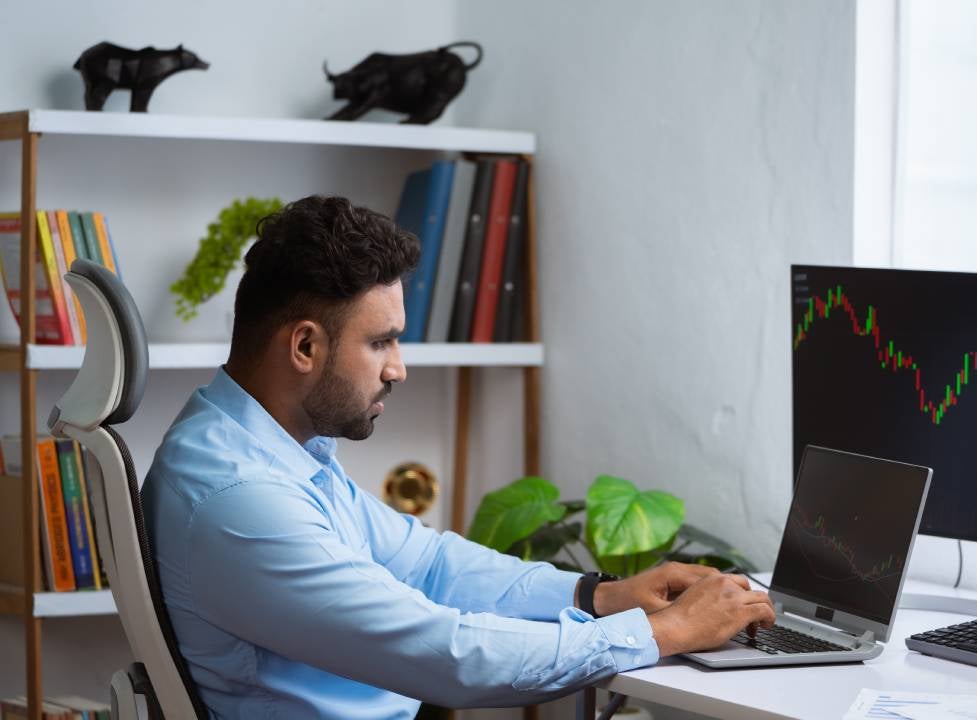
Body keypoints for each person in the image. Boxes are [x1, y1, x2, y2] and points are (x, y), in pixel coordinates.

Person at [141, 195, 775, 718]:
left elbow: (429, 564)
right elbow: (448, 656)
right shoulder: (240, 499)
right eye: (381, 342)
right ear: (305, 346)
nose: (400, 368)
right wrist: (664, 633)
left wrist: (598, 594)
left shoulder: (264, 448)